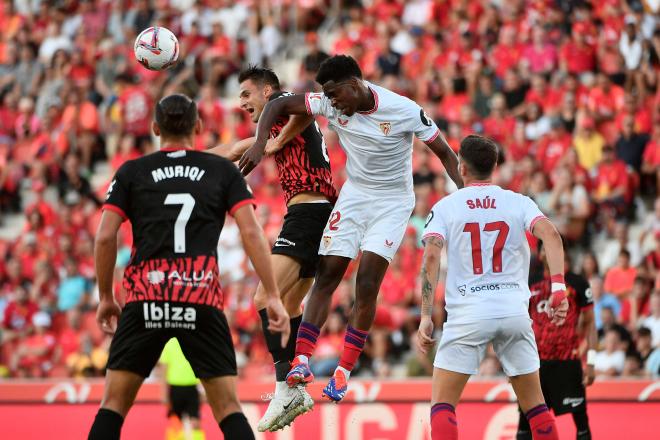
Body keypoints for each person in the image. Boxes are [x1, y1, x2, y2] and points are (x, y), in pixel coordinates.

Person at [239, 55, 462, 409]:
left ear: (356, 85)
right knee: (328, 272)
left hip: (392, 202)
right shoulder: (330, 100)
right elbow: (280, 102)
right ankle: (302, 361)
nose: (333, 104)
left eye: (336, 95)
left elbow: (447, 155)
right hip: (355, 194)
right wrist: (259, 140)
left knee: (368, 281)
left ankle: (344, 369)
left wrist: (467, 196)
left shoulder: (403, 109)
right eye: (326, 96)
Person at [87, 94, 290, 440]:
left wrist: (106, 296)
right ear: (198, 127)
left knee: (113, 405)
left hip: (145, 297)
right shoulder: (221, 171)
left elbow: (105, 238)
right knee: (228, 408)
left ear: (154, 128)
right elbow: (251, 232)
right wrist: (272, 293)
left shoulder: (132, 172)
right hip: (200, 298)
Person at [208, 66, 337, 431]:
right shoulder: (278, 121)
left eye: (246, 94)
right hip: (314, 214)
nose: (242, 103)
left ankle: (286, 389)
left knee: (266, 297)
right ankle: (293, 381)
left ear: (267, 92)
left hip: (309, 214)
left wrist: (276, 142)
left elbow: (307, 111)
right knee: (289, 304)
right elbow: (234, 149)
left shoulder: (284, 104)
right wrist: (189, 158)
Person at [416, 135, 569, 440]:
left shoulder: (446, 206)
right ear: (495, 166)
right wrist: (558, 289)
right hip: (513, 311)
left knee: (443, 405)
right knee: (536, 407)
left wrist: (425, 314)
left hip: (468, 313)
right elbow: (551, 234)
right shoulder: (519, 202)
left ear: (461, 167)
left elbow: (432, 252)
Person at [517, 245, 597, 440]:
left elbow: (590, 324)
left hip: (567, 361)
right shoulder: (530, 282)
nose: (547, 252)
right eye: (544, 248)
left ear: (562, 252)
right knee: (525, 422)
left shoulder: (577, 283)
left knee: (581, 421)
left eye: (551, 247)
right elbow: (519, 323)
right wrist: (514, 364)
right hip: (535, 365)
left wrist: (592, 362)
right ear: (540, 253)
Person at [159, 338, 205, 440]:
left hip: (192, 386)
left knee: (195, 423)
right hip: (175, 387)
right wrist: (164, 393)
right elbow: (164, 369)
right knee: (175, 423)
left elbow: (201, 367)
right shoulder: (169, 343)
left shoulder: (194, 341)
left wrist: (202, 390)